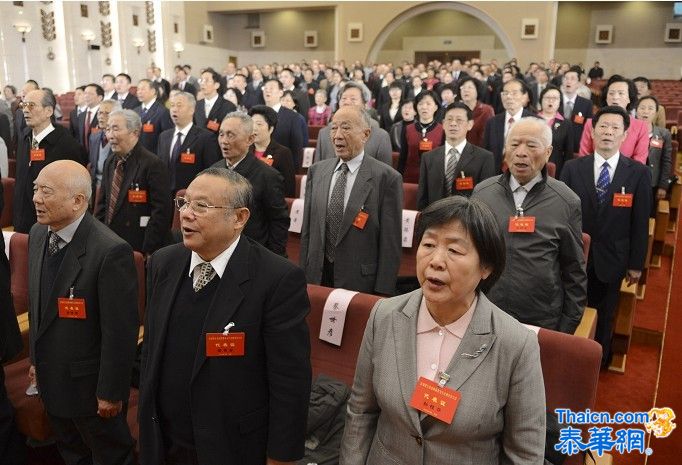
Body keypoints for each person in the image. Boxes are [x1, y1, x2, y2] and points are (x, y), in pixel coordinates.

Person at [339, 195, 546, 464]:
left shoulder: (516, 344)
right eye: (429, 244)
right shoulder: (384, 316)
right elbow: (361, 412)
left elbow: (525, 453)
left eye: (455, 251)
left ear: (486, 268)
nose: (436, 260)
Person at [138, 167, 311, 465]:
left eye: (201, 206)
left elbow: (290, 381)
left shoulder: (277, 279)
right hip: (163, 440)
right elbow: (152, 348)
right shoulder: (163, 263)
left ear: (239, 218)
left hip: (231, 446)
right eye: (184, 203)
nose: (186, 214)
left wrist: (281, 457)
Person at [28, 160, 139, 465]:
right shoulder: (39, 234)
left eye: (46, 192)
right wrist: (36, 361)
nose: (36, 198)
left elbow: (120, 333)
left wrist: (110, 392)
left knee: (109, 455)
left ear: (78, 201)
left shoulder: (110, 252)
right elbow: (40, 307)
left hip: (90, 389)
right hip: (52, 379)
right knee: (71, 452)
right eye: (36, 188)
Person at [473, 117, 586, 333]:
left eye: (531, 145)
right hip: (486, 310)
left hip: (540, 317)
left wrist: (566, 327)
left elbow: (574, 270)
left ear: (548, 152)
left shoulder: (566, 201)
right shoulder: (482, 193)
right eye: (514, 144)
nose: (521, 152)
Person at [560, 106, 651, 366]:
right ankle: (568, 360)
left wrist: (635, 264)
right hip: (573, 257)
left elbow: (639, 223)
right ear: (592, 131)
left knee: (605, 314)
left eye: (615, 128)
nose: (608, 132)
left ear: (624, 135)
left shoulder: (638, 173)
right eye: (603, 126)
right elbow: (561, 215)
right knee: (570, 311)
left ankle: (597, 363)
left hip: (613, 258)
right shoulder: (573, 168)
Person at [300, 106, 402, 295]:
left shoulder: (386, 178)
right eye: (333, 128)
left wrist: (383, 293)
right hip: (316, 277)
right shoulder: (317, 171)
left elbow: (390, 244)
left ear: (365, 134)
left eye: (345, 128)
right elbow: (307, 232)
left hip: (360, 283)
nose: (337, 135)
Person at [212, 111, 289, 256]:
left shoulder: (268, 176)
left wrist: (272, 259)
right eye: (221, 134)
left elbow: (278, 222)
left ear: (250, 139)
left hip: (253, 255)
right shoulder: (213, 172)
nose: (224, 141)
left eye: (231, 135)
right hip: (217, 252)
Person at [95, 109, 172, 255]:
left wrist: (147, 249)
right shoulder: (110, 162)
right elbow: (102, 205)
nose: (110, 135)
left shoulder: (152, 164)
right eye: (108, 129)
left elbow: (161, 213)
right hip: (110, 243)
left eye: (115, 129)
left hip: (140, 246)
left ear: (135, 132)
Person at [13, 89, 87, 233]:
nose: (25, 110)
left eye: (31, 105)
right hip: (23, 220)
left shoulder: (67, 145)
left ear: (49, 111)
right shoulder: (25, 138)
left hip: (53, 225)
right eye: (24, 106)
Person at [417, 102, 495, 210]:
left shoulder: (484, 158)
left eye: (459, 120)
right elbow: (423, 199)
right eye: (449, 119)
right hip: (435, 220)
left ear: (470, 124)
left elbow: (485, 199)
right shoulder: (428, 158)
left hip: (467, 221)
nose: (453, 123)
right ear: (443, 124)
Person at [315, 82, 393, 166]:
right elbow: (317, 172)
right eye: (343, 98)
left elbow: (385, 175)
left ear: (364, 104)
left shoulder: (380, 137)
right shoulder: (324, 133)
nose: (347, 102)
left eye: (353, 99)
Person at [158, 91, 220, 194]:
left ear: (192, 110)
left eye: (179, 105)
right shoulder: (164, 136)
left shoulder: (206, 138)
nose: (174, 109)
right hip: (166, 196)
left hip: (192, 196)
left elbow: (210, 172)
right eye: (172, 105)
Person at [578, 76, 649, 164]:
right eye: (611, 93)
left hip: (628, 175)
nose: (615, 97)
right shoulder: (591, 123)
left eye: (621, 93)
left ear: (629, 98)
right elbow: (584, 155)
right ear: (606, 97)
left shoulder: (640, 127)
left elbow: (639, 161)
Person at [482, 79, 536, 174]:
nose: (509, 97)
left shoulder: (535, 122)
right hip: (496, 175)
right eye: (505, 93)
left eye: (514, 93)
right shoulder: (492, 122)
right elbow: (486, 152)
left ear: (524, 96)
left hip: (526, 174)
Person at [636, 95, 673, 216]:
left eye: (650, 108)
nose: (646, 111)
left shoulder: (664, 134)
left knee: (647, 215)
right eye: (642, 108)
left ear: (656, 113)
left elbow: (666, 161)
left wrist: (663, 185)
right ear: (636, 110)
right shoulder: (627, 131)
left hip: (652, 182)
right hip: (632, 180)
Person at [249, 105, 296, 197]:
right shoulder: (245, 150)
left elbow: (289, 187)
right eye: (251, 123)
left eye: (259, 124)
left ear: (271, 129)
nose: (254, 128)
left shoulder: (283, 153)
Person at [398, 90, 444, 183]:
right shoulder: (408, 129)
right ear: (416, 107)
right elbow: (403, 157)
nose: (424, 107)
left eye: (428, 104)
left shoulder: (442, 130)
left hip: (433, 178)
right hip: (410, 178)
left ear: (435, 107)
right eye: (420, 104)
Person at [262, 79, 306, 169]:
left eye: (271, 88)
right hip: (258, 167)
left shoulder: (293, 117)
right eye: (265, 88)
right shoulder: (256, 114)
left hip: (281, 168)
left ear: (280, 93)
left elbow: (296, 149)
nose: (267, 90)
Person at [537, 85, 574, 177]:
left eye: (555, 98)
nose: (551, 101)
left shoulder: (566, 124)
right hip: (533, 165)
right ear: (541, 100)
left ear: (560, 102)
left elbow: (568, 153)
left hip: (557, 169)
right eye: (547, 98)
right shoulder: (532, 120)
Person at [88, 99, 120, 191]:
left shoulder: (121, 139)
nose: (101, 116)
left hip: (114, 187)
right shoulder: (94, 137)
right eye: (100, 113)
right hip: (96, 187)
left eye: (107, 113)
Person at [135, 79, 174, 155]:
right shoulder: (135, 111)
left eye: (142, 89)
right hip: (137, 155)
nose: (139, 92)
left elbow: (167, 137)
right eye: (138, 89)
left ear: (153, 91)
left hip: (154, 155)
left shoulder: (163, 111)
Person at [194, 68, 237, 134]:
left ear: (216, 85)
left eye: (206, 80)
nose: (202, 83)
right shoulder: (196, 105)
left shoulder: (228, 106)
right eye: (201, 80)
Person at [561, 66, 593, 154]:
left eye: (572, 79)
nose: (568, 81)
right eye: (566, 78)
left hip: (576, 147)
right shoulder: (556, 101)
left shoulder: (586, 104)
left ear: (578, 84)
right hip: (556, 146)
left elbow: (589, 127)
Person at [77, 84, 104, 152]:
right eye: (85, 93)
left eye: (90, 94)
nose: (86, 96)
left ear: (100, 97)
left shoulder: (105, 114)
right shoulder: (81, 116)